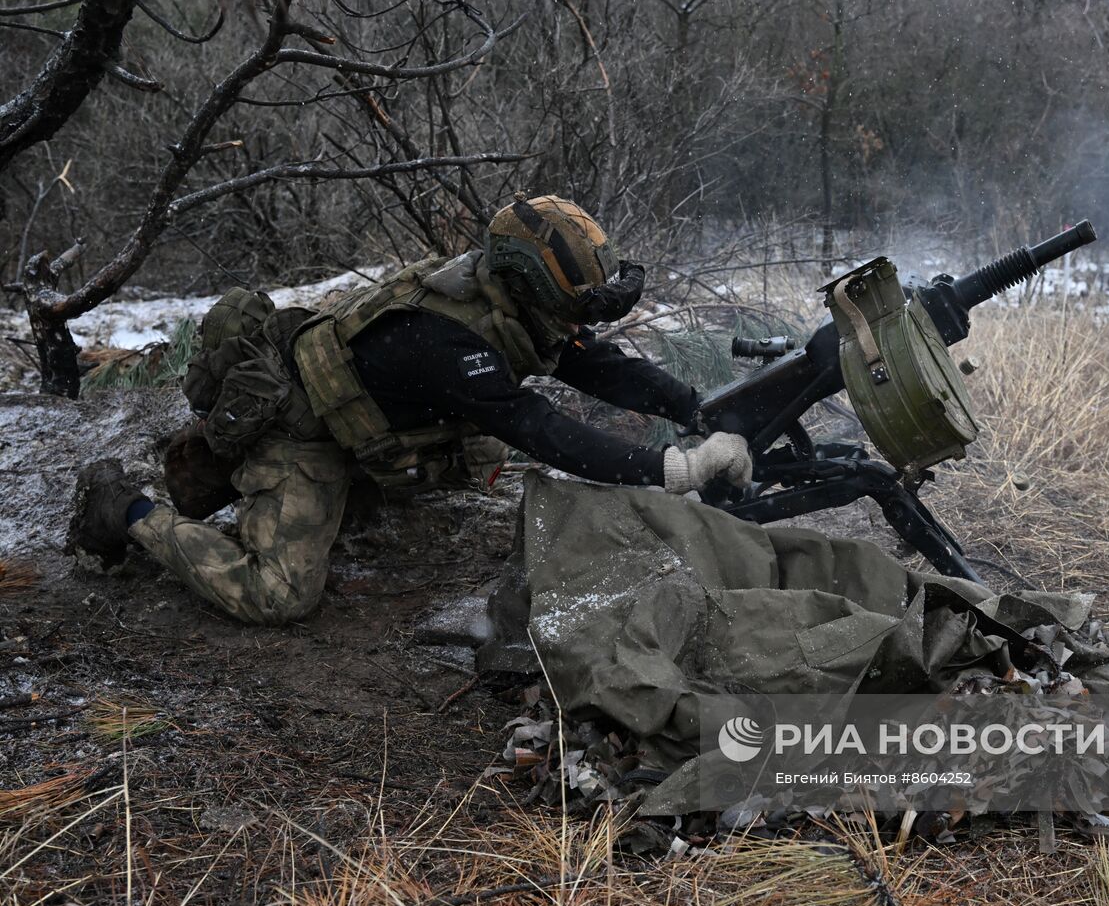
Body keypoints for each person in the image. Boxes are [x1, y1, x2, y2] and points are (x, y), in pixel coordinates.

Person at [67, 194, 751, 625]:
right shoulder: (447, 344)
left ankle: (359, 495)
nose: (576, 327)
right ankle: (124, 510)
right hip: (302, 432)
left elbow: (597, 366)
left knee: (465, 457)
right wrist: (676, 468)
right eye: (573, 309)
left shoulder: (506, 307)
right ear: (529, 284)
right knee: (277, 596)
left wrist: (696, 407)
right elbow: (539, 428)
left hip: (370, 419)